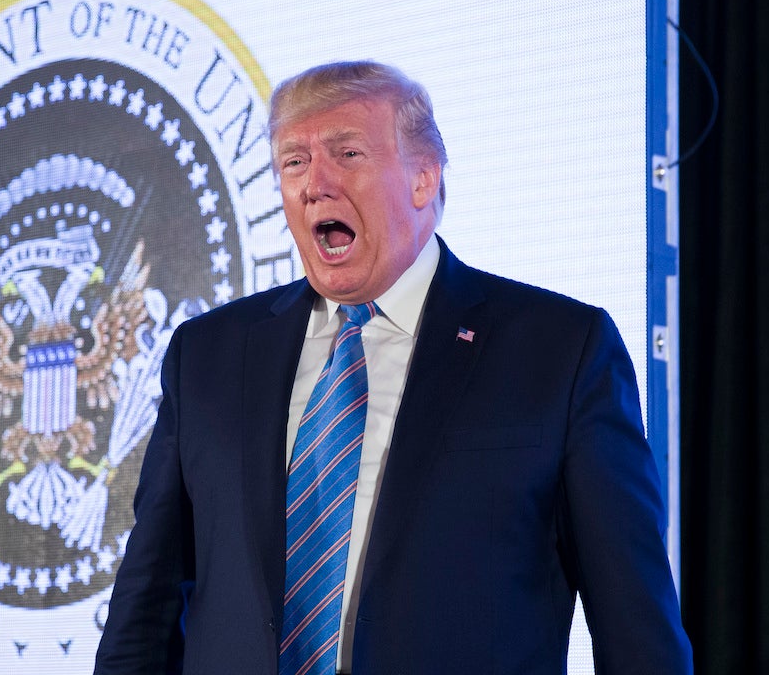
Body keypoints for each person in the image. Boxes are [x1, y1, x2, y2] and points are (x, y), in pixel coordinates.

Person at [93, 60, 692, 674]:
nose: (314, 184)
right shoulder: (208, 356)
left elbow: (636, 631)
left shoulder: (558, 351)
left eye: (347, 153)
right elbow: (146, 613)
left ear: (423, 179)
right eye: (293, 162)